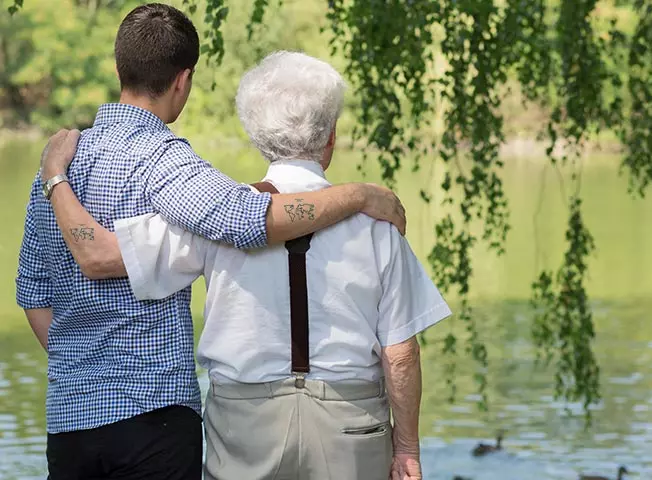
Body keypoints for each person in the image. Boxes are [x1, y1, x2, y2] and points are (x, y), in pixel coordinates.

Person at [17, 5, 405, 480]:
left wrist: (82, 365)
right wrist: (359, 194)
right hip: (153, 417)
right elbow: (249, 219)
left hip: (70, 423)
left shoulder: (58, 166)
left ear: (120, 68)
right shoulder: (164, 161)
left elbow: (32, 294)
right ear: (183, 81)